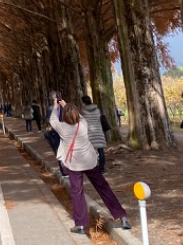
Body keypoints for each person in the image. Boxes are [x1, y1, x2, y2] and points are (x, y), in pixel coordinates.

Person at [49, 97, 131, 235]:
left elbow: (52, 120)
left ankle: (80, 225)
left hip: (73, 164)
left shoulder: (62, 127)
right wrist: (67, 105)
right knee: (103, 188)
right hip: (89, 161)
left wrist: (56, 107)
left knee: (77, 193)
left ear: (64, 116)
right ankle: (122, 217)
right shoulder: (83, 124)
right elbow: (79, 117)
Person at [80, 95, 109, 172]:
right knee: (101, 151)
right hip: (99, 132)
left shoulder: (83, 111)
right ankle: (102, 168)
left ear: (83, 102)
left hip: (89, 133)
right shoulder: (97, 110)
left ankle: (91, 167)